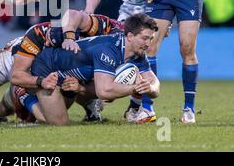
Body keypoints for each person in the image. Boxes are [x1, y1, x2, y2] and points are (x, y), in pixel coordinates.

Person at [0, 11, 123, 123]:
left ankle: (90, 107)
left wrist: (81, 88)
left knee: (72, 90)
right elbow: (17, 74)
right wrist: (39, 81)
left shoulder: (97, 34)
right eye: (50, 43)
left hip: (56, 75)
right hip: (25, 67)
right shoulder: (36, 36)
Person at [30, 13, 160, 125]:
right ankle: (23, 96)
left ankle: (82, 98)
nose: (148, 44)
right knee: (57, 123)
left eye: (151, 39)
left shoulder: (138, 54)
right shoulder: (108, 48)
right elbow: (104, 92)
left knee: (111, 90)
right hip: (48, 68)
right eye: (144, 38)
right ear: (130, 36)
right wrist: (135, 88)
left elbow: (155, 83)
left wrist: (150, 88)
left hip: (76, 79)